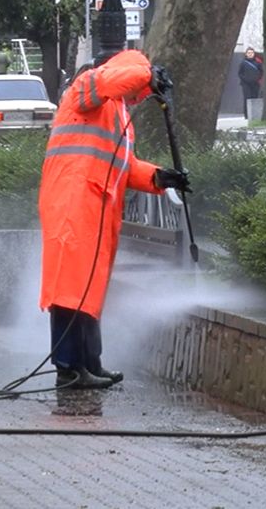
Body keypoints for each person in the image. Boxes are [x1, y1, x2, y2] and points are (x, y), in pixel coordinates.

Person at [38, 49, 190, 389]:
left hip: (96, 204)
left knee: (90, 290)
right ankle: (69, 368)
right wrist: (147, 71)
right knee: (70, 288)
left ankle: (90, 363)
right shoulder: (87, 87)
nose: (140, 98)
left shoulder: (118, 112)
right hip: (73, 200)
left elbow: (125, 165)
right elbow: (115, 79)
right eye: (140, 88)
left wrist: (160, 177)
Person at [238, 47, 264, 119]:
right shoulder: (243, 63)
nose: (250, 54)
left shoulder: (257, 63)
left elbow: (261, 72)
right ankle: (247, 115)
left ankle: (255, 114)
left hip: (255, 84)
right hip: (246, 84)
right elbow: (240, 73)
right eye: (249, 53)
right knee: (247, 98)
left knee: (255, 97)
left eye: (252, 53)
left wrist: (257, 79)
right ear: (246, 54)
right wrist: (246, 80)